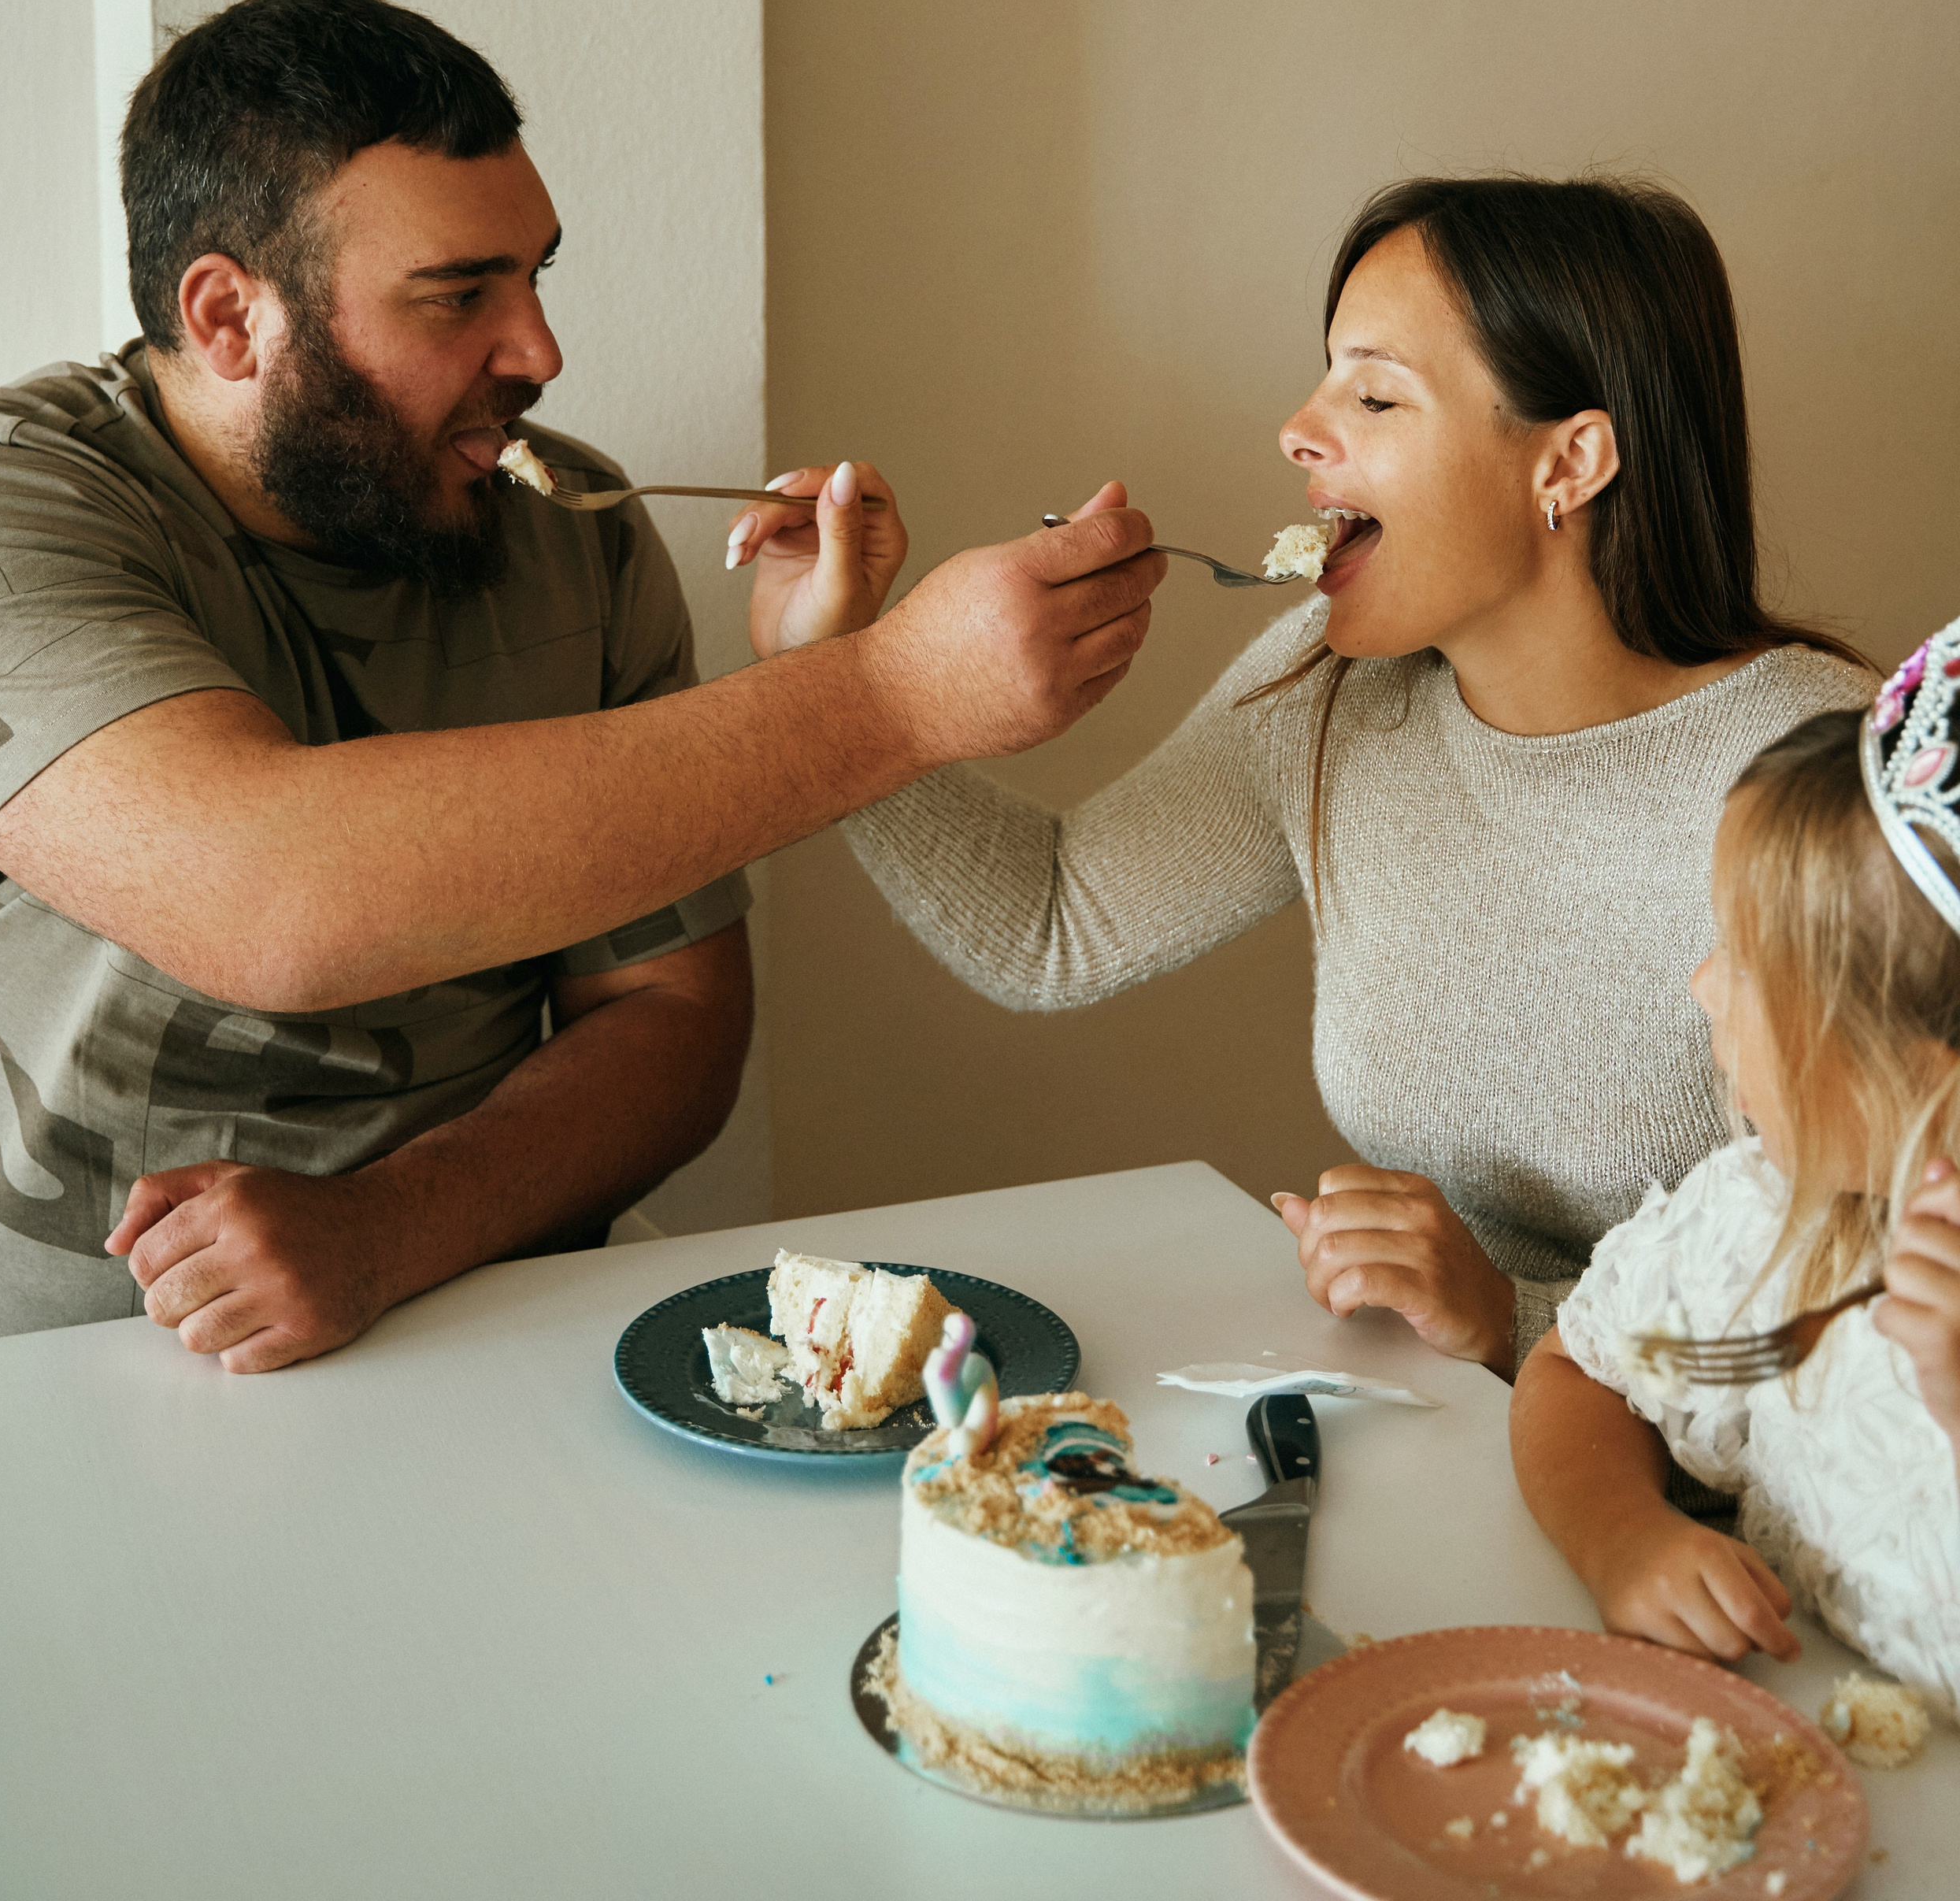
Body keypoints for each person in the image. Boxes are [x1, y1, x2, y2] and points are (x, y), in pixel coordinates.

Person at [0, 0, 1163, 1366]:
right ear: (230, 318)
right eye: (460, 295)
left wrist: (389, 1228)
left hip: (486, 1312)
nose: (539, 352)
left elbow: (673, 1020)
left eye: (536, 277)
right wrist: (893, 694)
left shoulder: (575, 525)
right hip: (54, 1368)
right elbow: (270, 899)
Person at [732, 177, 1870, 1379]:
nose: (1297, 430)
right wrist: (841, 674)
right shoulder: (1330, 692)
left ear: (1570, 461)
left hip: (1705, 1474)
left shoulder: (1831, 772)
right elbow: (1050, 926)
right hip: (1435, 1419)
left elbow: (1885, 1304)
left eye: (1375, 394)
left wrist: (1521, 1322)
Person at [1510, 642, 1960, 1712]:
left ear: (1915, 1070)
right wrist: (1624, 1535)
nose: (1703, 985)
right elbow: (1577, 1372)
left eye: (1750, 965)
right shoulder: (1763, 1220)